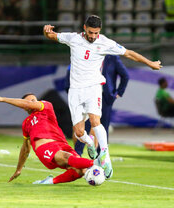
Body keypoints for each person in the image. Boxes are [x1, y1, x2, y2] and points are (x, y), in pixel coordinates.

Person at [43, 15, 162, 179]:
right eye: (91, 32)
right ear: (85, 28)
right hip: (75, 90)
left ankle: (105, 155)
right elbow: (52, 36)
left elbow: (129, 53)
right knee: (78, 132)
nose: (93, 36)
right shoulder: (73, 38)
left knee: (95, 120)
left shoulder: (105, 42)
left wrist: (150, 63)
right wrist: (46, 31)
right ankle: (90, 143)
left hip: (94, 87)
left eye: (96, 33)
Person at [0, 93, 106, 185]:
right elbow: (25, 149)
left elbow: (29, 105)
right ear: (23, 106)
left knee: (80, 170)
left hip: (61, 144)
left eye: (34, 100)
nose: (33, 102)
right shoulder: (26, 123)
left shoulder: (46, 106)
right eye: (29, 101)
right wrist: (18, 169)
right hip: (45, 148)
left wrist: (3, 99)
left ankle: (50, 181)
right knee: (67, 158)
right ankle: (99, 163)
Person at [73, 55, 129, 156]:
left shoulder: (113, 58)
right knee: (85, 123)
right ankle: (78, 153)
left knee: (103, 126)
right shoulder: (90, 55)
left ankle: (101, 156)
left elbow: (125, 75)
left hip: (105, 97)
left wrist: (119, 93)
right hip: (90, 95)